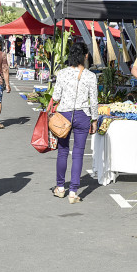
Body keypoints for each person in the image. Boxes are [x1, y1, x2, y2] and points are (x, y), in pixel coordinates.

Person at [50, 42, 98, 203]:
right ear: (85, 56)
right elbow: (94, 101)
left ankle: (60, 187)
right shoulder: (90, 76)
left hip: (64, 115)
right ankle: (73, 191)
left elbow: (56, 96)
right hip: (83, 115)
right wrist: (94, 119)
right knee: (78, 153)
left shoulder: (62, 73)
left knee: (63, 151)